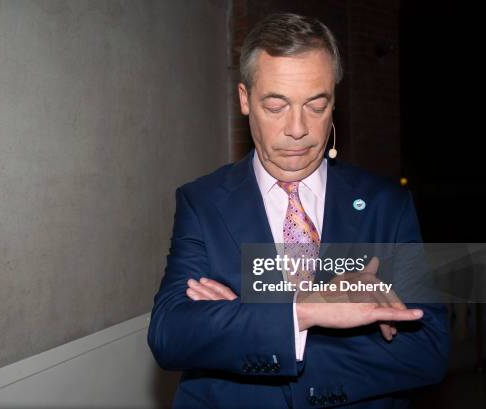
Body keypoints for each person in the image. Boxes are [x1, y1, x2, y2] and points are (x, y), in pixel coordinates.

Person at [148, 12, 449, 409]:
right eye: (276, 106)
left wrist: (245, 324)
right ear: (244, 99)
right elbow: (171, 335)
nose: (297, 129)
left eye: (316, 106)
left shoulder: (385, 204)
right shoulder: (202, 201)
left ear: (334, 102)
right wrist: (308, 310)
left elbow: (426, 350)